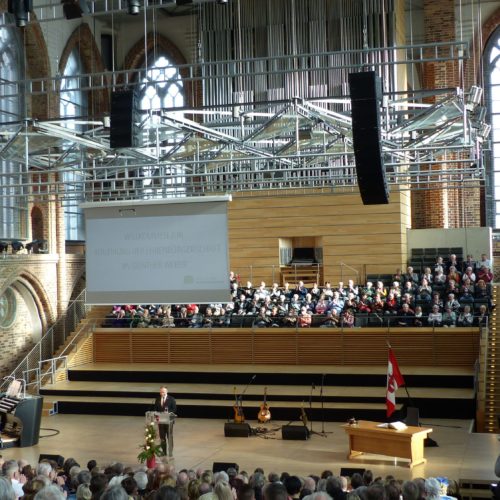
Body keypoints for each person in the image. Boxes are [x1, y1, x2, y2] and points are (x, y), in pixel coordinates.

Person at [153, 386, 177, 457]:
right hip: (161, 421)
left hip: (169, 421)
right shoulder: (157, 399)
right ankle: (164, 452)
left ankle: (170, 452)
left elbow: (174, 409)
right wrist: (156, 415)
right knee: (162, 438)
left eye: (163, 392)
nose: (162, 393)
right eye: (161, 392)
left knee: (169, 437)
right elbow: (155, 409)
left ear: (167, 392)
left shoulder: (171, 399)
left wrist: (168, 413)